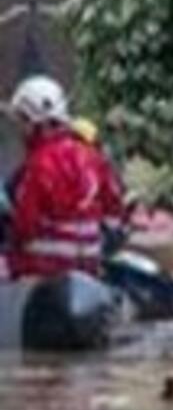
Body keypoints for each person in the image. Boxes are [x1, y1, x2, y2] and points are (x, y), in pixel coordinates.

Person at [7, 77, 123, 279]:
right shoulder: (93, 157)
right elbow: (114, 211)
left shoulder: (39, 165)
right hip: (89, 264)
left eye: (22, 121)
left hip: (44, 266)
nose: (20, 130)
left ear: (35, 123)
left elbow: (25, 227)